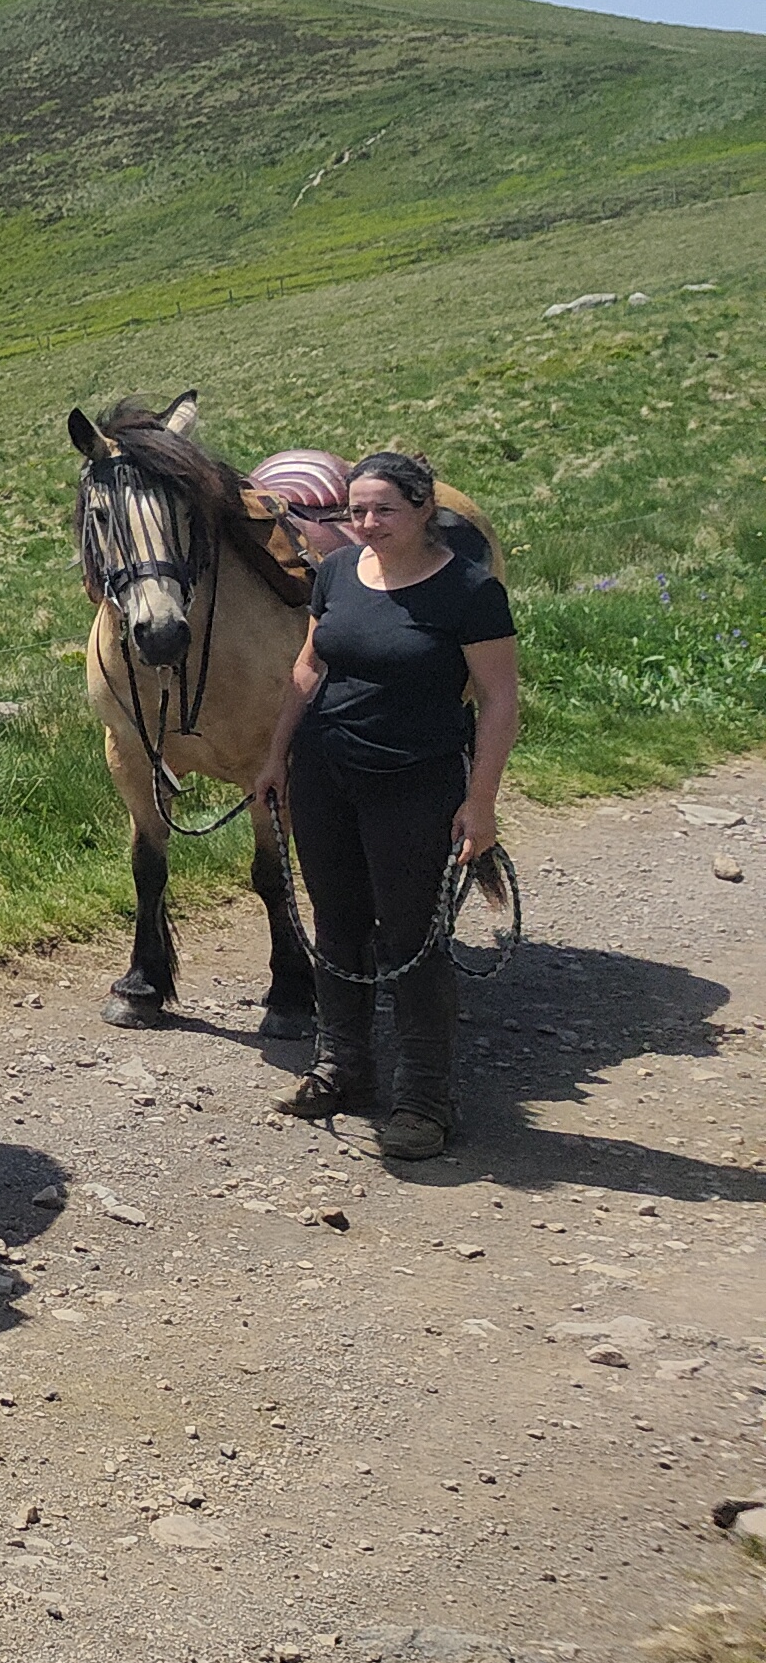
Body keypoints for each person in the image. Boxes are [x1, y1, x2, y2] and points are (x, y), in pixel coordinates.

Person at [250, 450, 520, 1162]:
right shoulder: (337, 572)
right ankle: (343, 1067)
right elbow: (310, 666)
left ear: (425, 508)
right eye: (357, 511)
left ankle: (426, 1099)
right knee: (336, 924)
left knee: (410, 939)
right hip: (325, 776)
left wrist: (481, 801)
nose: (368, 524)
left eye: (385, 511)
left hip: (415, 781)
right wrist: (278, 755)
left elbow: (498, 701)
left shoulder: (468, 591)